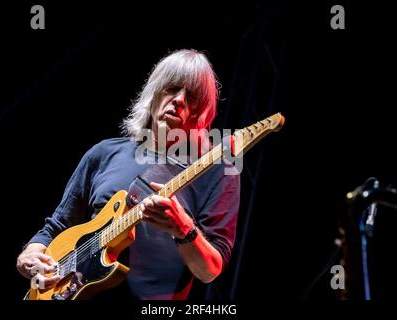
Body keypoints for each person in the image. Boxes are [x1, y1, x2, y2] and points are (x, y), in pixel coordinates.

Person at [16, 49, 240, 300]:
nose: (179, 99)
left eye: (193, 96)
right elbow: (56, 226)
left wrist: (183, 228)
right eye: (172, 88)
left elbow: (209, 271)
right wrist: (30, 255)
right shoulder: (104, 153)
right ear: (154, 92)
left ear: (203, 112)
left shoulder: (216, 171)